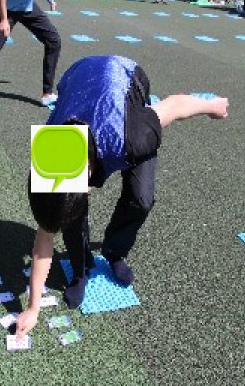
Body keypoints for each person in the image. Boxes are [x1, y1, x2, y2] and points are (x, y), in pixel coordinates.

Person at [15, 55, 228, 337]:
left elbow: (175, 105)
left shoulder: (131, 135)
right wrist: (33, 308)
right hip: (78, 78)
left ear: (88, 182)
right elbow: (44, 236)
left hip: (125, 79)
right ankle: (80, 269)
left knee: (141, 199)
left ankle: (115, 252)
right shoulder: (50, 147)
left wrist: (212, 106)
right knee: (68, 211)